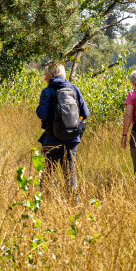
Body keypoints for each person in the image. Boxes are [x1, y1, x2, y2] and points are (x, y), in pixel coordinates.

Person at [35, 63, 89, 195]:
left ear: (52, 75)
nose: (44, 77)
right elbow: (85, 113)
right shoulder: (74, 89)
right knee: (70, 173)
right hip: (72, 140)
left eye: (46, 74)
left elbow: (42, 114)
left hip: (51, 139)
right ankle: (73, 203)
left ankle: (45, 204)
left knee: (47, 173)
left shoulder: (47, 91)